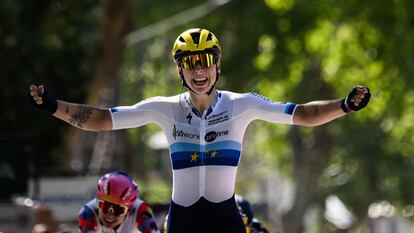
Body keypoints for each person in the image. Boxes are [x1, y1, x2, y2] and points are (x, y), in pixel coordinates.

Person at [28, 28, 371, 233]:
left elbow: (303, 114)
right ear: (180, 71)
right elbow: (102, 119)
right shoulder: (166, 109)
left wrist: (344, 105)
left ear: (217, 65)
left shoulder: (242, 104)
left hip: (225, 218)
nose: (198, 71)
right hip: (183, 220)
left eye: (204, 61)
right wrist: (52, 106)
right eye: (189, 64)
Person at [78, 171, 159, 233]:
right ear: (97, 201)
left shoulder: (142, 211)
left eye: (118, 209)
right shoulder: (87, 213)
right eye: (105, 206)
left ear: (129, 211)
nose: (110, 214)